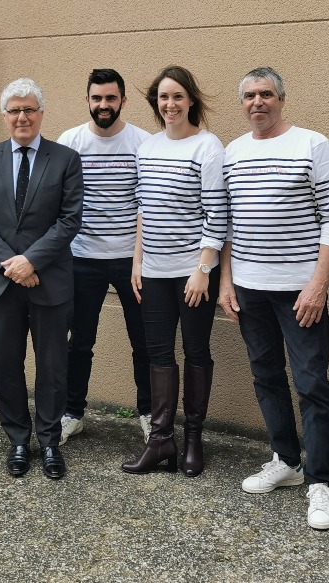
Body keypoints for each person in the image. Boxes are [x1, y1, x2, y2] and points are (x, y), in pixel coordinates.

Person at [218, 67, 329, 529]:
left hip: (300, 291)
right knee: (266, 375)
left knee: (311, 383)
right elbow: (226, 224)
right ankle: (286, 460)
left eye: (266, 94)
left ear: (282, 99)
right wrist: (226, 282)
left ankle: (320, 482)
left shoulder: (312, 144)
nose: (258, 102)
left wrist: (318, 284)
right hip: (249, 288)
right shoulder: (232, 152)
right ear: (242, 103)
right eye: (249, 95)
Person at [0, 78, 83, 480]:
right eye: (14, 110)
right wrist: (13, 265)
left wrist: (31, 262)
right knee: (7, 364)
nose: (22, 117)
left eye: (29, 109)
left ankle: (50, 442)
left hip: (50, 281)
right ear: (4, 116)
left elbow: (69, 220)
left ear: (41, 113)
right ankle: (17, 439)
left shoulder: (65, 159)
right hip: (2, 284)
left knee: (52, 366)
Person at [121, 65, 227, 478]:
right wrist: (137, 261)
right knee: (158, 353)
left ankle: (193, 438)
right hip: (154, 271)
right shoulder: (147, 148)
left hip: (192, 273)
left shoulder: (208, 146)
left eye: (178, 96)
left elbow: (217, 214)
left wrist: (202, 269)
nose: (170, 104)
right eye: (164, 97)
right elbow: (142, 209)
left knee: (196, 351)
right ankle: (161, 440)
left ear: (191, 100)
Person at [56, 69, 152, 446]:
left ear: (123, 101)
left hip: (132, 259)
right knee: (79, 342)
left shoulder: (142, 142)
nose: (103, 105)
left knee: (144, 342)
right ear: (87, 100)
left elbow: (147, 203)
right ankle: (72, 414)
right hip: (82, 258)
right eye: (97, 98)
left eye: (111, 98)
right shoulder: (70, 142)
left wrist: (140, 258)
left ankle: (149, 414)